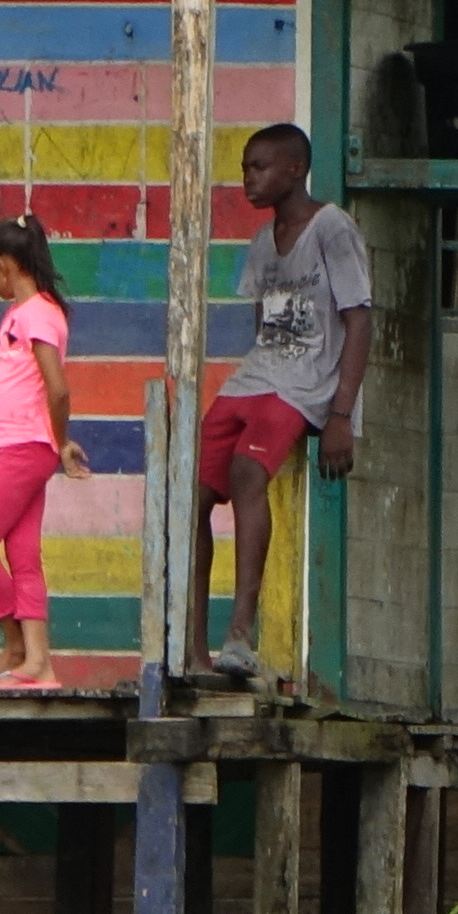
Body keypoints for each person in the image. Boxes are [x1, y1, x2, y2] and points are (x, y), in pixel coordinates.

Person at [203, 122, 374, 688]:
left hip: (304, 384)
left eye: (259, 167)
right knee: (192, 491)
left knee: (247, 474)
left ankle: (239, 635)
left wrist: (341, 415)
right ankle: (193, 648)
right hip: (256, 377)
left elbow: (359, 321)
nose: (247, 178)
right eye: (245, 168)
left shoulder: (332, 228)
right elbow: (263, 325)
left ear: (295, 170)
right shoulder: (261, 241)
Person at [0, 215, 94, 690]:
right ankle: (40, 665)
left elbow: (59, 389)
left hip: (27, 448)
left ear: (5, 265)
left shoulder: (39, 315)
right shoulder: (17, 315)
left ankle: (15, 645)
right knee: (22, 555)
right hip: (16, 447)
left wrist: (60, 442)